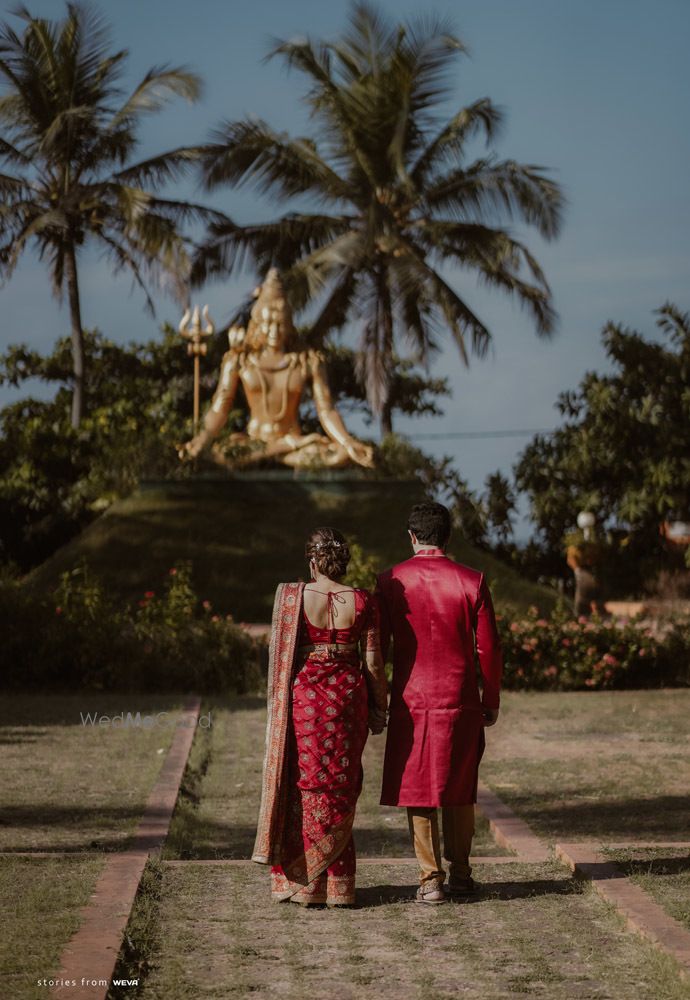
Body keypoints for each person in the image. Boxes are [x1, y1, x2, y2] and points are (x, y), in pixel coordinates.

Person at [252, 527, 388, 906]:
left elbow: (282, 654)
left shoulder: (294, 597)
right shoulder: (364, 601)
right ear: (343, 560)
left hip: (307, 700)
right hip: (348, 700)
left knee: (309, 783)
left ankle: (309, 884)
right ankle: (340, 884)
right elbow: (374, 661)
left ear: (312, 561)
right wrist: (380, 707)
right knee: (341, 782)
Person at [376, 502, 503, 904]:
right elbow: (490, 650)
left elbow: (377, 649)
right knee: (460, 783)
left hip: (410, 700)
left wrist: (377, 698)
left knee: (418, 786)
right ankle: (462, 874)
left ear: (411, 537)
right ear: (447, 537)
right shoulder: (472, 580)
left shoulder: (390, 581)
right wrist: (491, 697)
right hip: (458, 697)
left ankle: (430, 877)